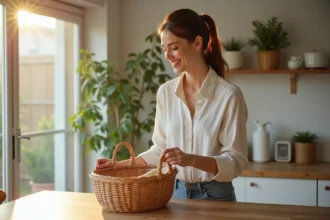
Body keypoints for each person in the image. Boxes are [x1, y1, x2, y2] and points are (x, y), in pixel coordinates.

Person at [96, 8, 249, 201]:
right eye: (164, 48)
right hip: (175, 194)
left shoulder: (229, 96)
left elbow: (236, 162)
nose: (167, 56)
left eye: (174, 47)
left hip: (216, 196)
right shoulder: (165, 93)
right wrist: (117, 165)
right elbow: (159, 151)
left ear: (197, 43)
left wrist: (189, 159)